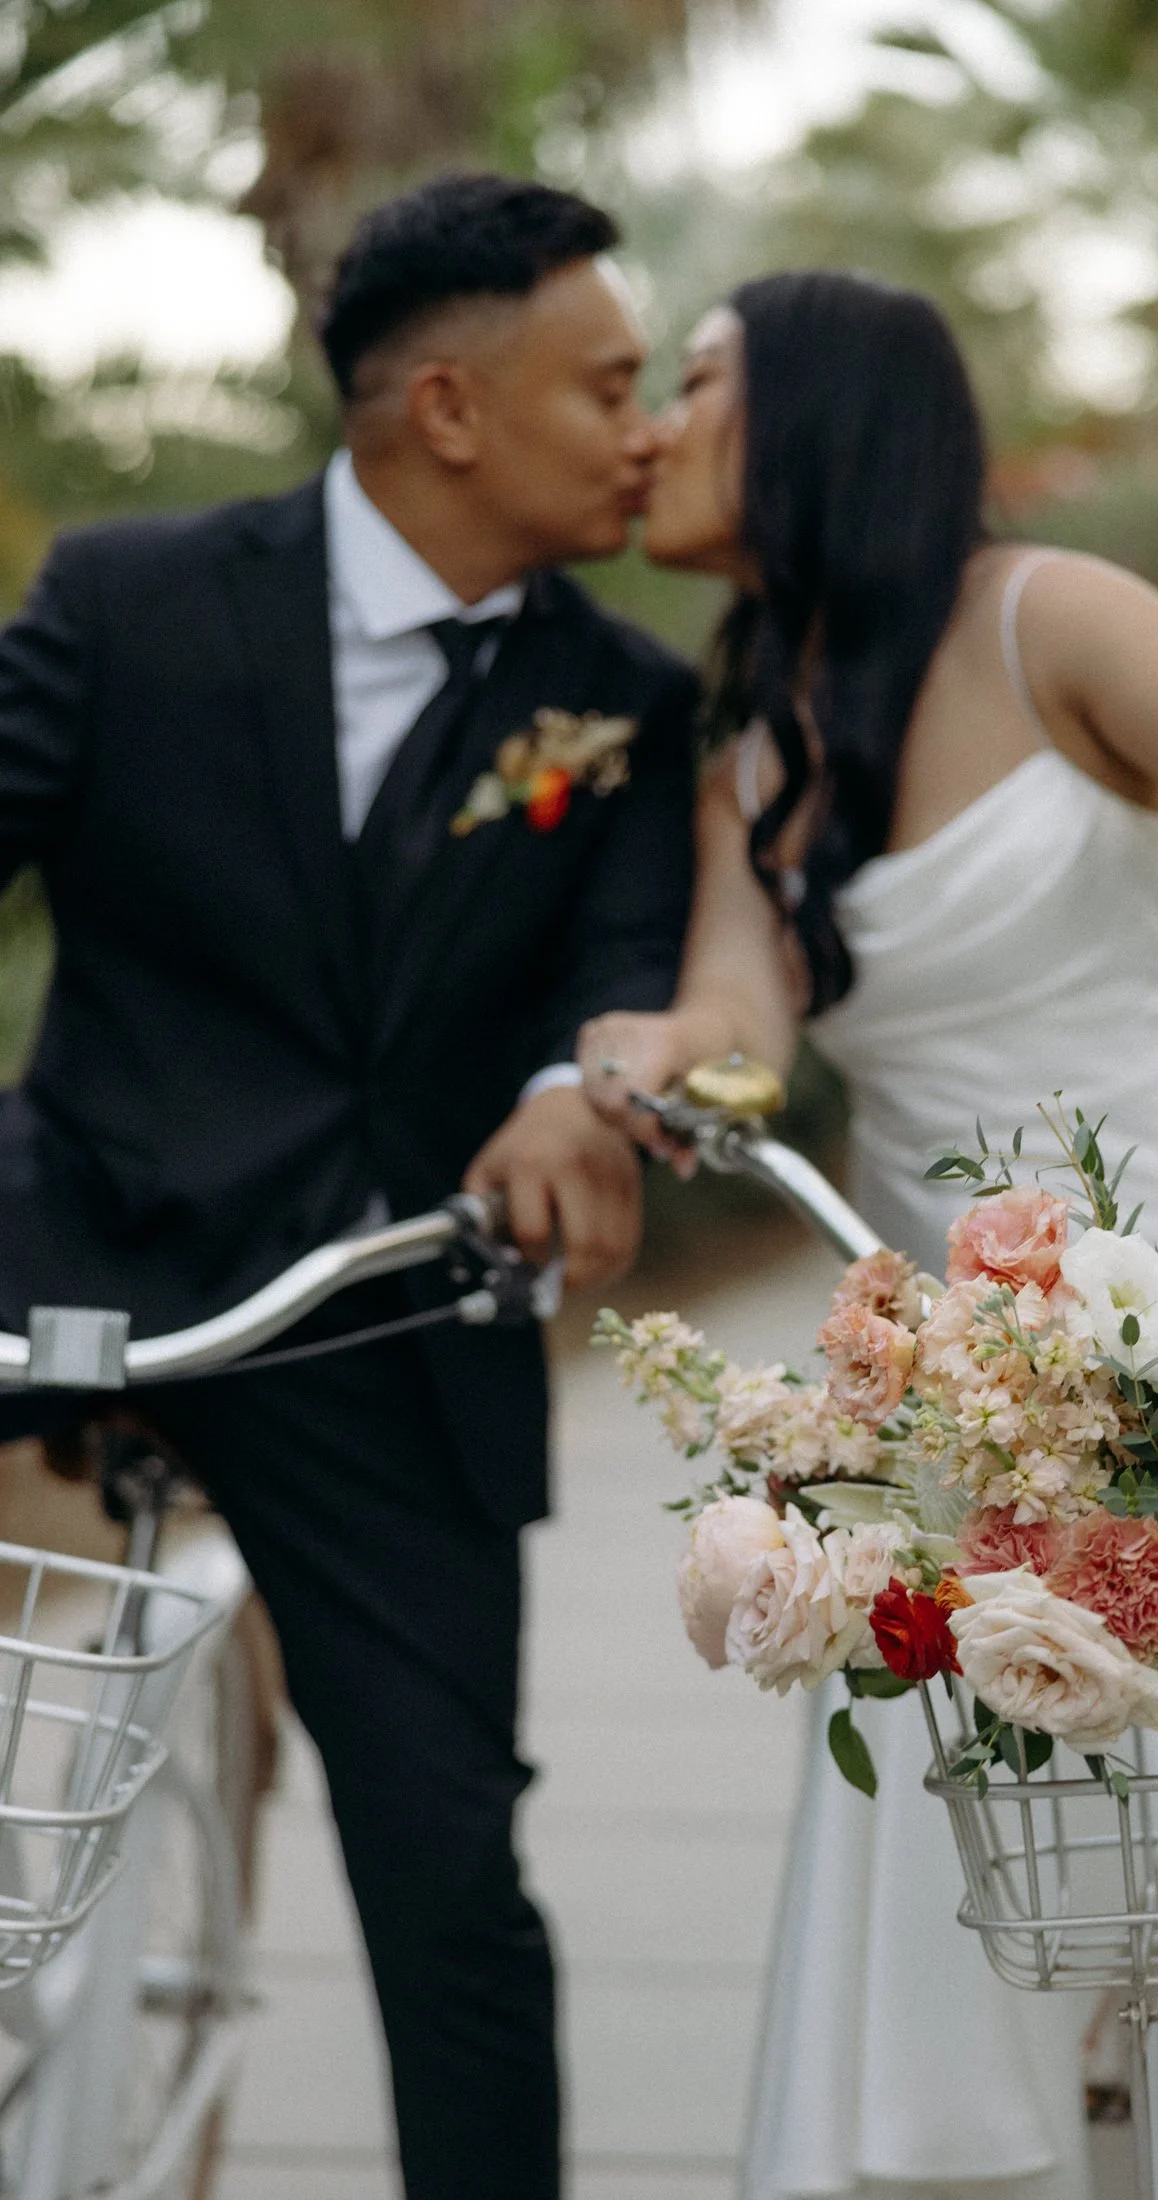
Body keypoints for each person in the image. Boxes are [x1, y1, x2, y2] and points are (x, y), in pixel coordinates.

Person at [575, 270, 1158, 2200]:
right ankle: (926, 2142)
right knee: (888, 1583)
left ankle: (921, 2161)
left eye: (697, 379)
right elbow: (739, 1022)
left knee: (967, 1560)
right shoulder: (759, 752)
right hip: (967, 1360)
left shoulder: (1054, 613)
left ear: (819, 408)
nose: (651, 425)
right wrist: (658, 1046)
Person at [0, 172, 700, 2200]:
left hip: (381, 1314)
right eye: (608, 385)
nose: (643, 427)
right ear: (451, 409)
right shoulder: (129, 598)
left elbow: (623, 967)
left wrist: (581, 1086)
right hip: (83, 1244)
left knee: (450, 1868)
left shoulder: (623, 702)